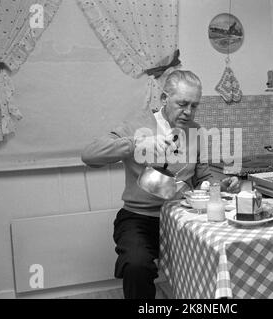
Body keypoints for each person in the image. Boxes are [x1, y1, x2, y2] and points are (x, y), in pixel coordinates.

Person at [81, 70, 240, 299]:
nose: (188, 112)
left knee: (216, 257)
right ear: (164, 99)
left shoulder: (197, 132)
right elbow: (89, 155)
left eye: (194, 106)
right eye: (182, 104)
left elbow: (204, 177)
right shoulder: (137, 126)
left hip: (184, 220)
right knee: (137, 266)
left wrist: (220, 185)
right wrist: (135, 144)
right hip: (140, 218)